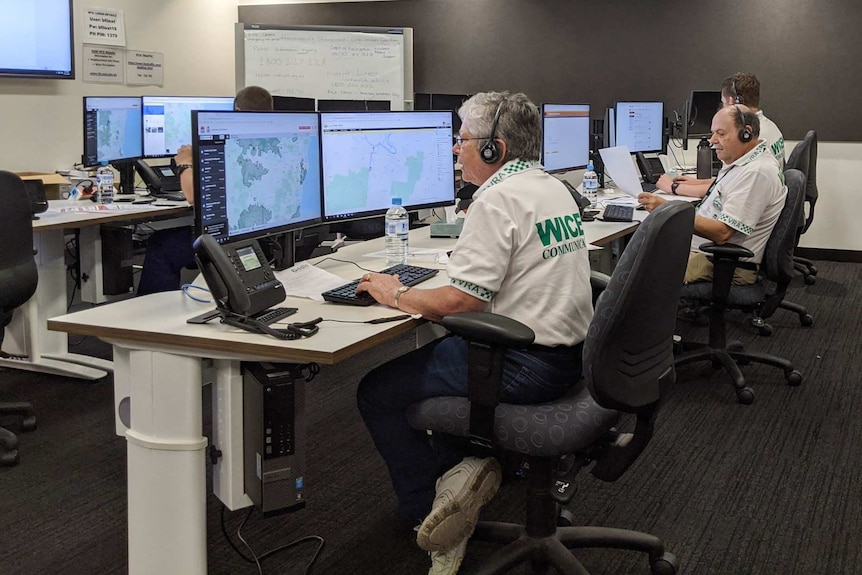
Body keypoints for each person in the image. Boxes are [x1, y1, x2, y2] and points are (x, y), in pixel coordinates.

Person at [355, 91, 594, 574]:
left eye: (462, 139)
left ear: (494, 149)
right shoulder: (547, 186)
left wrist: (394, 293)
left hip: (524, 364)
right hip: (569, 355)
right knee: (437, 358)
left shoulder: (498, 199)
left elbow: (460, 303)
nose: (453, 149)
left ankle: (429, 516)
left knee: (375, 391)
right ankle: (463, 472)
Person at [136, 86, 273, 296]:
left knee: (160, 245)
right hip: (265, 236)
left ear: (237, 111)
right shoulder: (270, 142)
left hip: (232, 239)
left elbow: (193, 197)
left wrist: (184, 163)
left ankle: (150, 316)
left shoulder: (234, 145)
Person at [638, 104, 786, 286]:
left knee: (637, 277)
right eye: (713, 133)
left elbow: (722, 233)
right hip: (706, 253)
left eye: (721, 133)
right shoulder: (743, 161)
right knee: (639, 255)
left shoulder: (756, 173)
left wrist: (668, 210)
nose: (712, 140)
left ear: (746, 133)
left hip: (722, 262)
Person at [658, 72, 786, 199]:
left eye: (723, 103)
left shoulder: (750, 138)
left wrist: (673, 188)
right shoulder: (771, 127)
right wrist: (697, 183)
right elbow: (730, 181)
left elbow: (725, 190)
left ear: (732, 102)